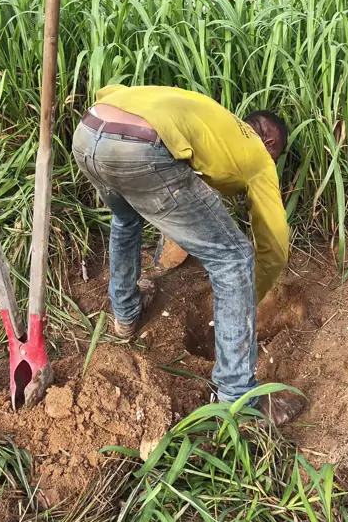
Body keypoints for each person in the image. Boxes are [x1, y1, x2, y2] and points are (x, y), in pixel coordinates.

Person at [72, 85, 305, 425]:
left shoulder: (211, 117)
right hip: (142, 148)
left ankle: (126, 315)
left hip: (89, 132)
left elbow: (108, 91)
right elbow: (274, 248)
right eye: (277, 157)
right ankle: (240, 398)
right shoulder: (258, 153)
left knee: (126, 218)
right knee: (234, 259)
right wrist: (247, 298)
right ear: (270, 143)